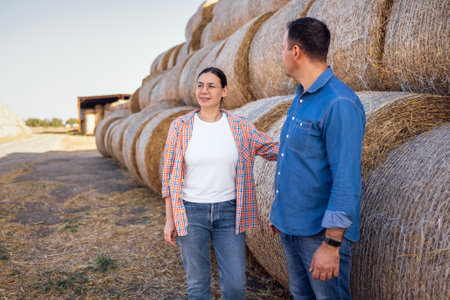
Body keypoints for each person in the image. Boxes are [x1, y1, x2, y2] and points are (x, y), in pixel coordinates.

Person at [269, 18, 366, 299]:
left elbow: (346, 180)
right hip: (292, 229)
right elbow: (294, 160)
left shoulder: (339, 103)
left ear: (296, 51)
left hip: (319, 235)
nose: (282, 55)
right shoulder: (301, 98)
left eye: (283, 48)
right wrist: (281, 212)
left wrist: (332, 244)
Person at [162, 67, 279, 300]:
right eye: (200, 85)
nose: (204, 91)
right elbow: (168, 176)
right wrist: (169, 219)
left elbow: (273, 149)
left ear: (224, 91)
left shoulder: (239, 126)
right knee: (197, 286)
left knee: (236, 286)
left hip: (229, 213)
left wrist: (310, 144)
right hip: (190, 212)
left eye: (211, 86)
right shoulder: (180, 126)